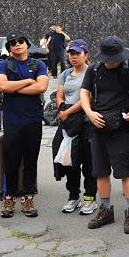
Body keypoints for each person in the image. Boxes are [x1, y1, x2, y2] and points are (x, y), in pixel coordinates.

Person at [79, 36, 129, 234]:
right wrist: (89, 113)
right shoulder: (94, 70)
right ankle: (105, 209)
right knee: (100, 171)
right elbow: (84, 93)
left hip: (122, 125)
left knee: (124, 170)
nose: (112, 61)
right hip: (98, 124)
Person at [0, 30, 49, 218]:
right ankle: (8, 196)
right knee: (11, 160)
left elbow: (41, 87)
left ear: (27, 44)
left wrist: (14, 88)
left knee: (31, 160)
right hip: (12, 120)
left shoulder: (38, 64)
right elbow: (2, 86)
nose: (17, 44)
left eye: (20, 41)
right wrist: (27, 81)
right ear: (9, 48)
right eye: (13, 42)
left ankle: (28, 196)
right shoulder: (3, 64)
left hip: (33, 119)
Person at [51, 39, 98, 215]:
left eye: (77, 53)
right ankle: (73, 195)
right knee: (69, 162)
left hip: (85, 123)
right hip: (68, 124)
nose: (74, 57)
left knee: (88, 163)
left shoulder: (91, 72)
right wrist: (62, 107)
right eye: (71, 53)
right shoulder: (66, 73)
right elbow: (59, 93)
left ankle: (89, 198)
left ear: (86, 54)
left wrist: (67, 112)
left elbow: (88, 98)